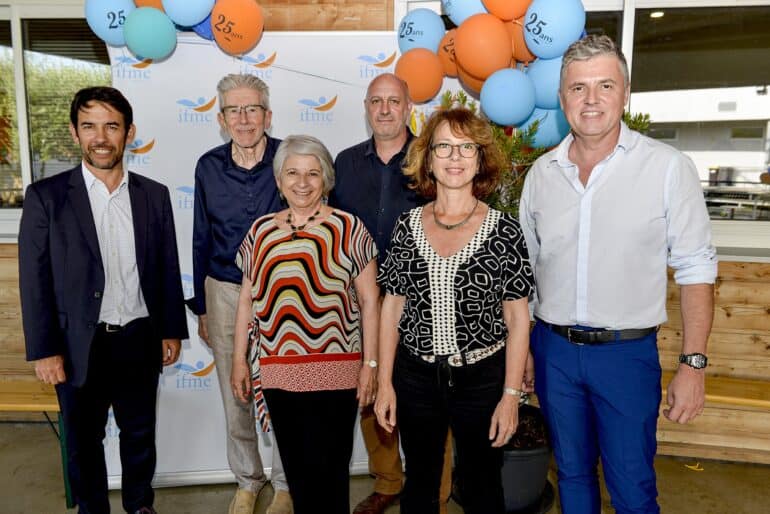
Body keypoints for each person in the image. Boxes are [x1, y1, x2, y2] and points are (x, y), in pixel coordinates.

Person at [519, 35, 718, 514]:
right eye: (578, 88)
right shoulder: (541, 174)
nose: (591, 100)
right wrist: (524, 349)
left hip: (626, 357)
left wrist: (693, 365)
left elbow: (696, 268)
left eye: (605, 86)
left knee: (632, 489)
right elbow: (526, 273)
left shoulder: (667, 168)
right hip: (553, 352)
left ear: (625, 93)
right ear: (562, 97)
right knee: (571, 476)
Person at [19, 86, 188, 514]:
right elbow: (34, 281)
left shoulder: (153, 194)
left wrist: (170, 330)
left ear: (129, 133)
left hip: (138, 337)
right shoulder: (47, 197)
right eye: (89, 126)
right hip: (78, 344)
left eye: (111, 126)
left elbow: (166, 265)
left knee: (140, 435)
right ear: (74, 133)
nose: (100, 137)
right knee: (83, 441)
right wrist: (45, 350)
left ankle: (140, 505)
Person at [375, 108, 534, 514]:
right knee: (420, 486)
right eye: (444, 146)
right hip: (415, 377)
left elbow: (518, 320)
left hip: (482, 379)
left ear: (481, 159)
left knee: (483, 487)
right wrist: (385, 383)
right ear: (428, 158)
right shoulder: (406, 226)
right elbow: (392, 309)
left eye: (466, 148)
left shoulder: (504, 230)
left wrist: (510, 397)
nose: (455, 157)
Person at [231, 135, 380, 514]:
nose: (302, 182)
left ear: (326, 179)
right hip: (278, 372)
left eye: (313, 173)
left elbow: (369, 302)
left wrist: (371, 364)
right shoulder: (260, 232)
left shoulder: (349, 228)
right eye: (292, 173)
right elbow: (246, 300)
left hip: (337, 372)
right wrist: (237, 360)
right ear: (279, 181)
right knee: (297, 474)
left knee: (331, 473)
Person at [330, 72, 453, 514]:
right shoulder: (344, 163)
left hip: (424, 298)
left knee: (430, 398)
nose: (384, 109)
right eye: (376, 101)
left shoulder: (432, 159)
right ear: (366, 108)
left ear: (408, 108)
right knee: (368, 386)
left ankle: (435, 492)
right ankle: (387, 480)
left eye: (393, 101)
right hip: (361, 299)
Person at [190, 74, 292, 514]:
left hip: (284, 291)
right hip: (225, 290)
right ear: (221, 118)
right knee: (236, 393)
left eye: (252, 109)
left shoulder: (290, 159)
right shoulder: (207, 167)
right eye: (234, 110)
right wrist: (202, 309)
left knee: (285, 388)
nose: (244, 118)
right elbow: (200, 236)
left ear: (268, 116)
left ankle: (286, 483)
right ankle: (248, 480)